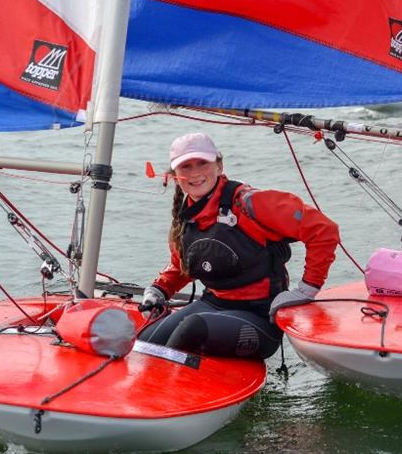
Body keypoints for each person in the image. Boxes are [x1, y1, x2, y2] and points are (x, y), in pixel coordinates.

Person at [137, 132, 340, 359]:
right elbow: (181, 267)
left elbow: (324, 230)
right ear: (175, 176)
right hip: (212, 305)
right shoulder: (186, 218)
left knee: (192, 329)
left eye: (203, 163)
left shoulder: (251, 203)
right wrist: (159, 290)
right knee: (145, 342)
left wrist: (306, 290)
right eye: (186, 167)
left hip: (259, 317)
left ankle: (169, 388)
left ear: (219, 166)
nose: (195, 173)